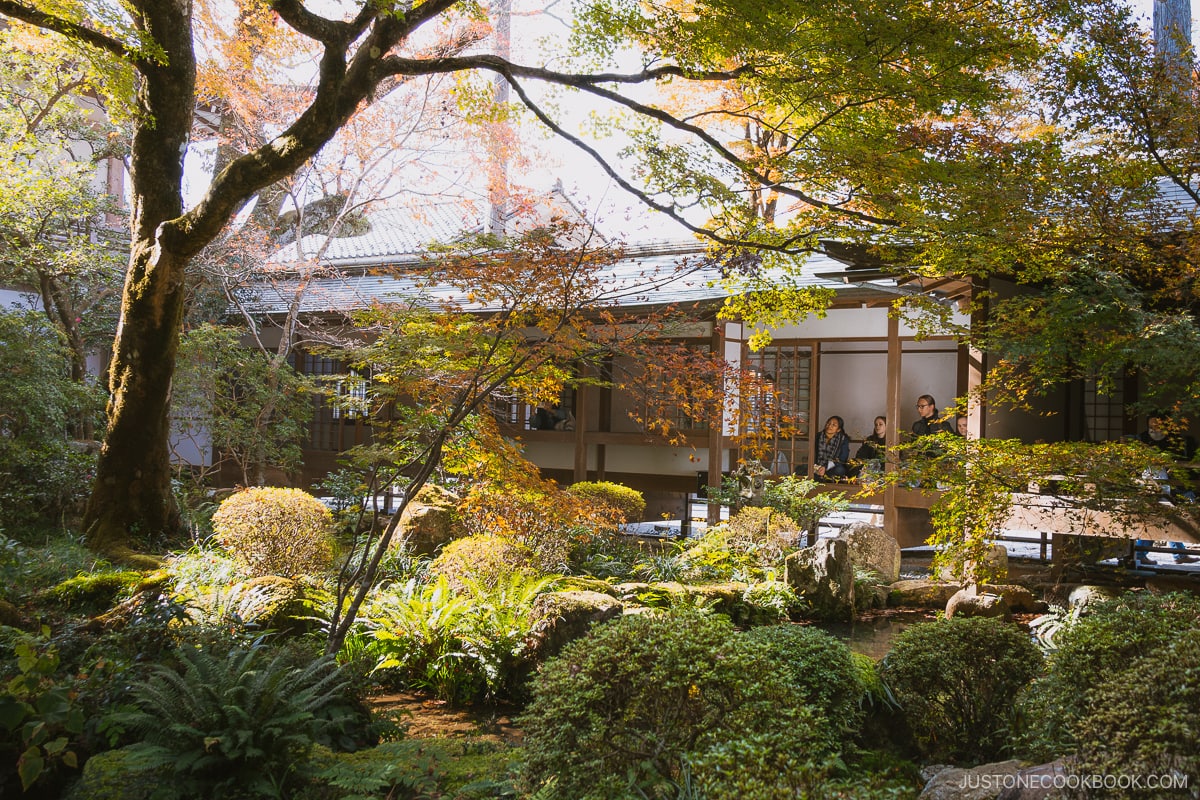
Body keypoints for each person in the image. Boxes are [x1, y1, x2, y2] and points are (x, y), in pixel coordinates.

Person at [1134, 413, 1199, 565]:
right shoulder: (1142, 438)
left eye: (1157, 425)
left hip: (1167, 480)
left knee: (1167, 516)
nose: (1153, 428)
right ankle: (1142, 553)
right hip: (1150, 480)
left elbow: (1178, 458)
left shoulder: (1171, 439)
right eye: (1151, 425)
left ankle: (1178, 554)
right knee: (1158, 517)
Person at [813, 415, 850, 482]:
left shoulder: (843, 439)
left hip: (832, 467)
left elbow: (843, 458)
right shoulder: (818, 436)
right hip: (817, 465)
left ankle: (826, 479)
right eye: (828, 423)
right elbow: (812, 453)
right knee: (801, 468)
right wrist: (816, 467)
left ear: (838, 429)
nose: (830, 426)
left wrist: (825, 467)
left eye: (834, 425)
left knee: (840, 470)